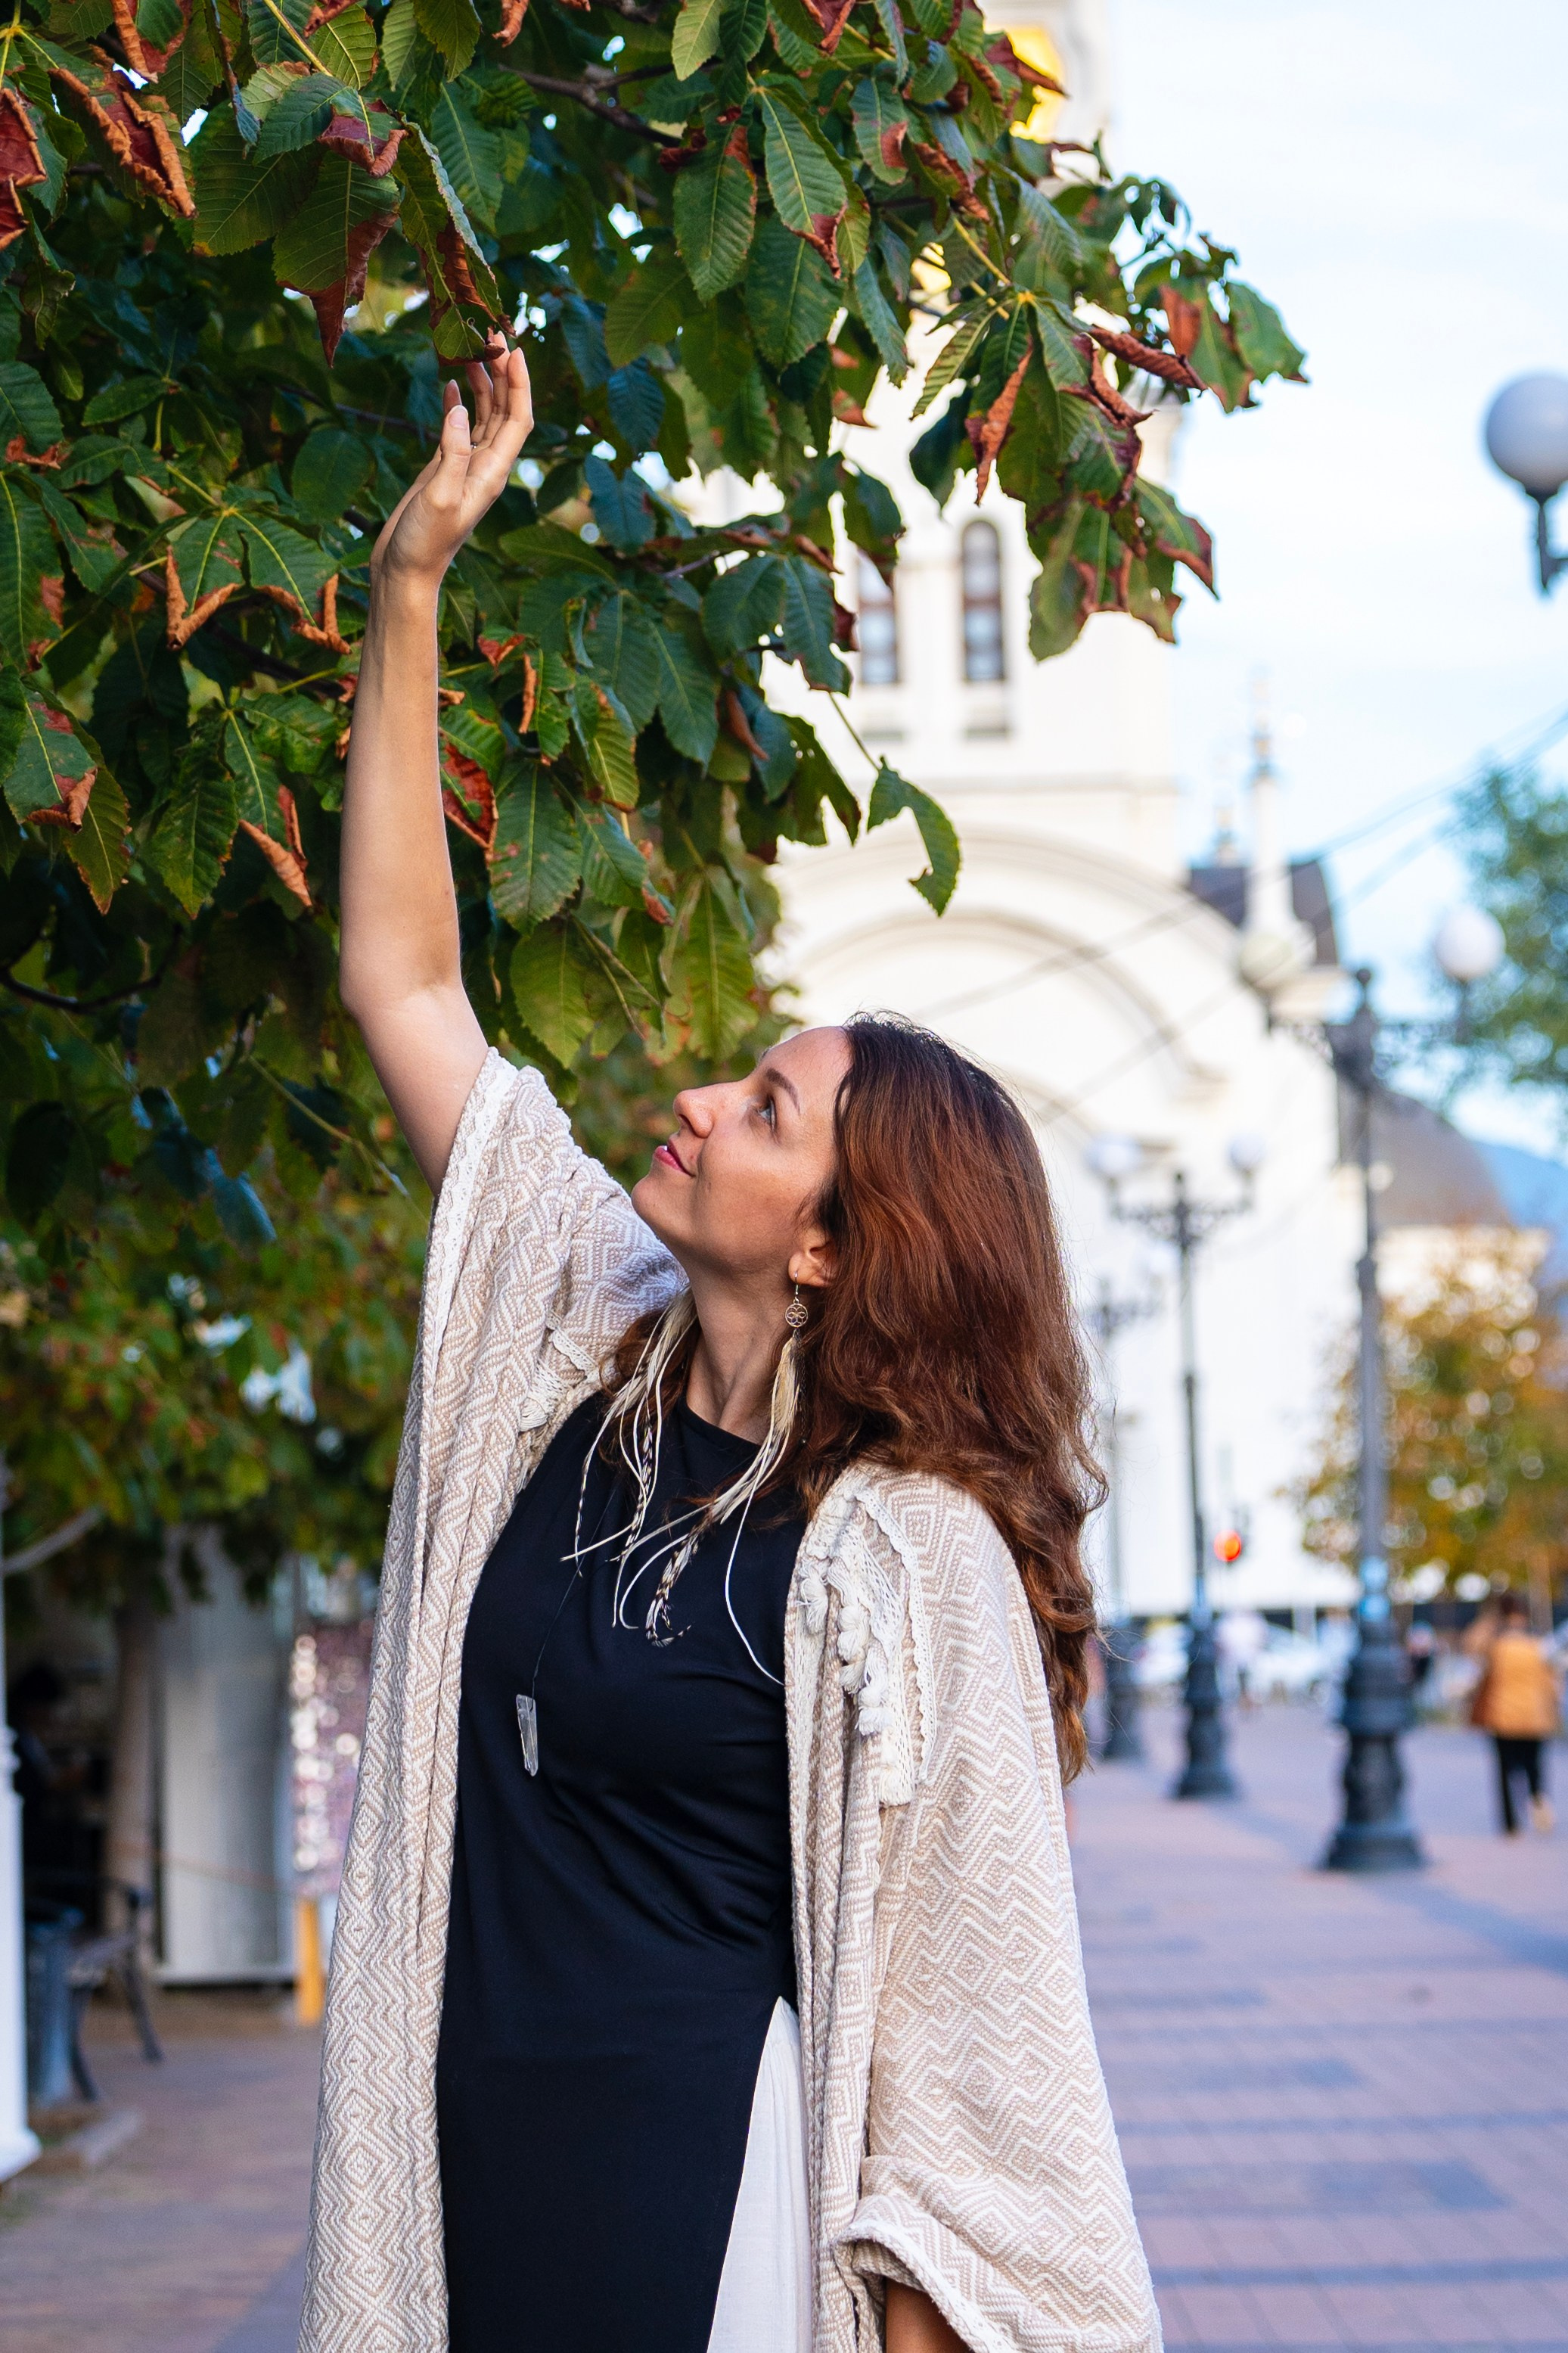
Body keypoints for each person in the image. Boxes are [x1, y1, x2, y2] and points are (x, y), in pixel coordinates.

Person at [298, 338, 1160, 2353]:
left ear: (848, 1242)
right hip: (464, 2173)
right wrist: (413, 581)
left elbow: (980, 2031)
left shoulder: (909, 1553)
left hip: (714, 2207)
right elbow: (403, 974)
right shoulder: (569, 1322)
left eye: (766, 1108)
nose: (695, 1097)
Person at [1470, 1591, 1560, 1836]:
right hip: (1535, 1715)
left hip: (1503, 1715)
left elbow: (1472, 1649)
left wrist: (1489, 1620)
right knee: (1534, 1766)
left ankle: (1510, 1824)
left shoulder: (1496, 1643)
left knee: (1503, 1770)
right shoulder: (1540, 1642)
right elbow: (1553, 1680)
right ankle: (1538, 1802)